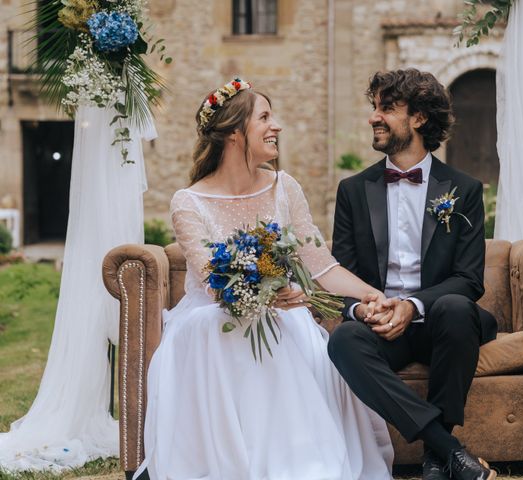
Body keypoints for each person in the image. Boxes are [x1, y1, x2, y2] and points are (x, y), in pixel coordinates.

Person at [133, 79, 393, 480]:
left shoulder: (283, 187)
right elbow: (213, 279)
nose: (278, 126)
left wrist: (372, 292)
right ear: (235, 132)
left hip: (283, 311)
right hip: (214, 315)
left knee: (289, 324)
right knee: (215, 325)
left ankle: (297, 462)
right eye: (265, 117)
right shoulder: (189, 202)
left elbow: (320, 265)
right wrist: (267, 297)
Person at [328, 69, 499, 480]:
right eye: (374, 107)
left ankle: (438, 457)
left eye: (387, 108)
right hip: (383, 328)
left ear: (419, 118)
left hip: (441, 320)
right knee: (343, 341)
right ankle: (446, 451)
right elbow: (341, 276)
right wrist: (363, 311)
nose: (374, 117)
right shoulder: (353, 190)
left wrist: (412, 305)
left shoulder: (464, 189)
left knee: (457, 308)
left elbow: (469, 278)